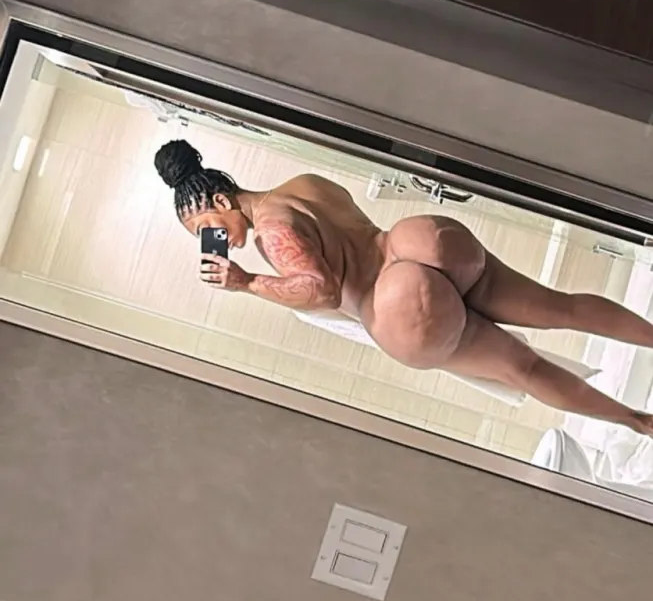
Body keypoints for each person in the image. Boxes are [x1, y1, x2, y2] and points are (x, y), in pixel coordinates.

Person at [154, 138, 653, 435]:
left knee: (526, 369)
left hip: (393, 303)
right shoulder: (301, 184)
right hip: (415, 241)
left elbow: (322, 290)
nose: (212, 241)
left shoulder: (271, 231)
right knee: (561, 307)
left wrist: (247, 282)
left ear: (222, 201)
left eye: (206, 228)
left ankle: (639, 421)